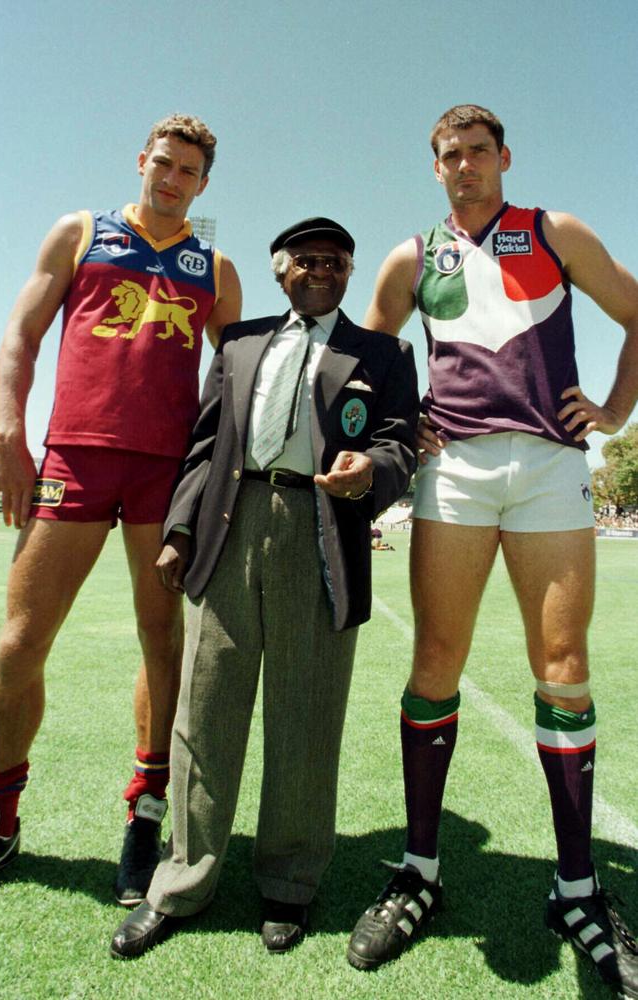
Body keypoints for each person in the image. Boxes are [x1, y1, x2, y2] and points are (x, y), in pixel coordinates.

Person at [347, 105, 638, 997]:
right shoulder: (412, 256)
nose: (465, 165)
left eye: (478, 152)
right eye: (449, 155)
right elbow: (364, 359)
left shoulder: (554, 231)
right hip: (457, 474)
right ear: (434, 168)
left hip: (551, 467)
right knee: (436, 658)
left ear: (503, 157)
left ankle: (578, 887)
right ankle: (421, 872)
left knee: (564, 663)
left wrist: (617, 412)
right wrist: (401, 420)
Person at [109, 216, 419, 959]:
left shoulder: (384, 351)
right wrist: (179, 531)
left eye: (338, 261)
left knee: (305, 718)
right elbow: (206, 443)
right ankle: (182, 880)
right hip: (232, 521)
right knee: (206, 712)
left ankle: (289, 883)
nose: (323, 270)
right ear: (280, 271)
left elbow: (401, 441)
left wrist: (370, 473)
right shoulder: (241, 342)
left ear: (350, 273)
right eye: (308, 260)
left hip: (323, 527)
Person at [0, 114, 242, 905]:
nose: (172, 180)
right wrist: (7, 434)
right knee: (22, 639)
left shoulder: (217, 267)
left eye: (188, 173)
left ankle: (147, 809)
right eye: (163, 165)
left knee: (161, 637)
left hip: (166, 470)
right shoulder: (81, 232)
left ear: (204, 184)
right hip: (72, 457)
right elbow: (23, 337)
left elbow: (234, 384)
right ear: (142, 160)